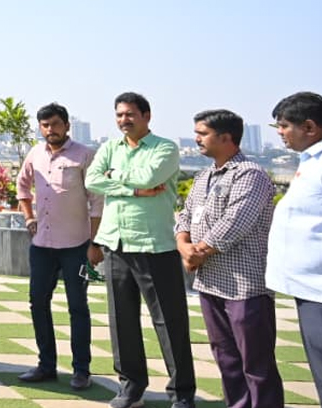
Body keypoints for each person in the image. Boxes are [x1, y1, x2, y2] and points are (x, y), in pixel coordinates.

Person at [86, 92, 196, 408]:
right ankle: (131, 387)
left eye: (130, 114)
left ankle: (182, 392)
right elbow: (91, 181)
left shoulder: (165, 148)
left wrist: (114, 178)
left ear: (147, 116)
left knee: (169, 322)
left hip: (154, 245)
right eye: (119, 115)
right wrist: (134, 189)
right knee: (122, 321)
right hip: (115, 244)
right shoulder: (109, 147)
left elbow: (150, 176)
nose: (124, 120)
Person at [176, 108, 283, 408]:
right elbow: (184, 216)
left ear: (227, 138)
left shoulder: (251, 175)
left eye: (202, 133)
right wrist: (184, 245)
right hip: (210, 283)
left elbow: (235, 222)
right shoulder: (204, 176)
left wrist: (198, 252)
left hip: (245, 286)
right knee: (226, 360)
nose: (196, 139)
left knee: (256, 364)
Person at [15, 102, 103, 391]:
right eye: (44, 125)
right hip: (42, 245)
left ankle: (81, 370)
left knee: (78, 306)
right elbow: (22, 187)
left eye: (54, 124)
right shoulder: (34, 153)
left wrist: (94, 244)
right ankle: (46, 365)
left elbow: (97, 201)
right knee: (38, 303)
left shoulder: (85, 155)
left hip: (76, 246)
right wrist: (29, 218)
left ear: (67, 125)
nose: (49, 130)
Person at [266, 91, 322, 399]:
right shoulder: (310, 161)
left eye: (284, 126)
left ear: (310, 127)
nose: (280, 133)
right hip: (307, 287)